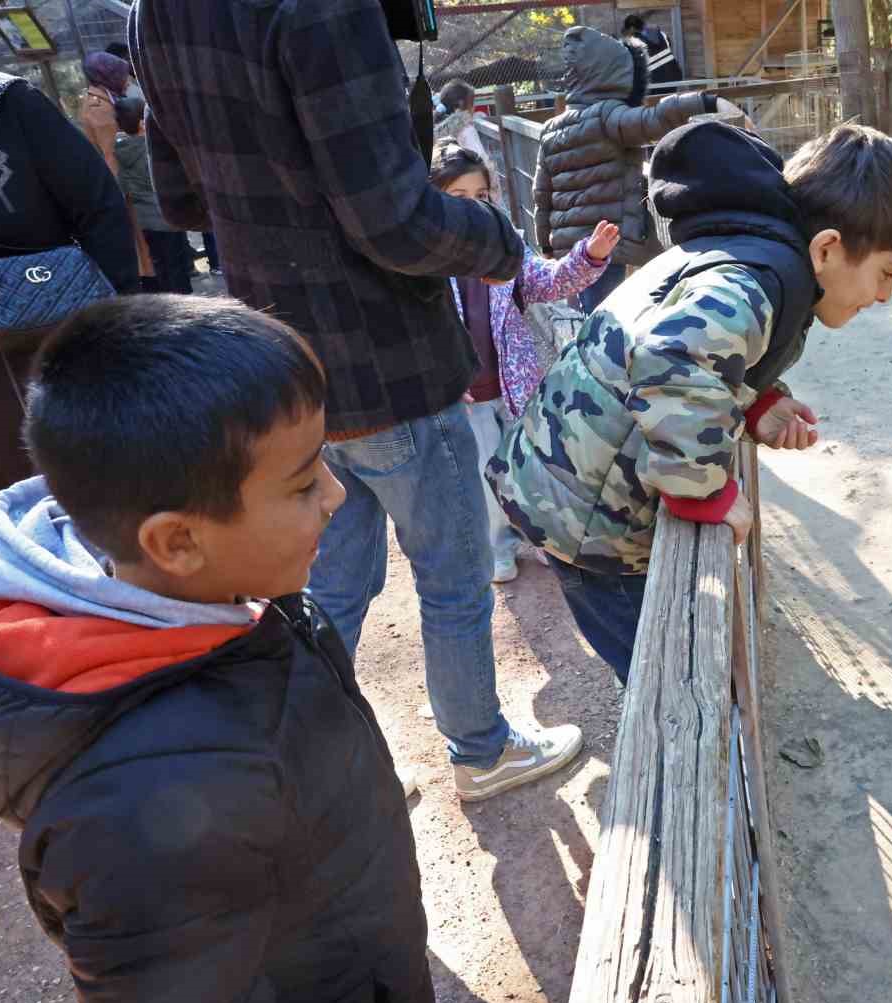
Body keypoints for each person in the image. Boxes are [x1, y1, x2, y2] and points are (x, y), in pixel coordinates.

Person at [0, 295, 436, 1003]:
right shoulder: (139, 812)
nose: (337, 496)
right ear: (176, 541)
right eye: (305, 483)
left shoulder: (223, 588)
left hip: (352, 979)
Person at [132, 0, 580, 802]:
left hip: (284, 373)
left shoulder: (154, 10)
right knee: (451, 577)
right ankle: (481, 751)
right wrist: (496, 243)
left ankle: (334, 764)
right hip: (391, 367)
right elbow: (395, 219)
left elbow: (182, 198)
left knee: (328, 586)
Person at [491, 121, 892, 683]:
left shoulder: (751, 252)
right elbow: (673, 356)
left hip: (572, 485)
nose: (884, 295)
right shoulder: (755, 280)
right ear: (826, 248)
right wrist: (704, 493)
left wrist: (757, 403)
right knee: (668, 680)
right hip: (586, 521)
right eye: (886, 273)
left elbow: (704, 352)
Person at [0, 40, 137, 514]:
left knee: (105, 489)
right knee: (2, 502)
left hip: (55, 343)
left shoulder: (5, 105)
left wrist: (116, 328)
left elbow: (99, 206)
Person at [428, 138, 616, 584]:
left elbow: (546, 282)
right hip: (464, 391)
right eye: (457, 198)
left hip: (516, 385)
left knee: (528, 466)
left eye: (481, 195)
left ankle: (545, 537)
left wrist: (589, 257)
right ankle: (499, 547)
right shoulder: (423, 261)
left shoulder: (503, 244)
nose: (473, 207)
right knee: (485, 473)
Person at [534, 25, 716, 314]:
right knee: (611, 317)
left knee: (587, 314)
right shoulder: (608, 116)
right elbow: (653, 120)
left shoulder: (551, 128)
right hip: (609, 245)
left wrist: (545, 244)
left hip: (569, 250)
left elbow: (542, 196)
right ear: (613, 73)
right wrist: (704, 101)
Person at [78, 50, 153, 286]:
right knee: (139, 242)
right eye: (121, 75)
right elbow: (113, 153)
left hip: (127, 183)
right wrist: (125, 190)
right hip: (124, 186)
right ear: (106, 76)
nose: (127, 79)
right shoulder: (100, 109)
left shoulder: (107, 98)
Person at [114, 97, 193, 294]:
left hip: (145, 220)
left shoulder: (121, 149)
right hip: (165, 216)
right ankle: (184, 303)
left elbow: (123, 185)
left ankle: (169, 302)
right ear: (143, 123)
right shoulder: (149, 148)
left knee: (160, 263)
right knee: (177, 264)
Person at [621, 13, 684, 85]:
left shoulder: (634, 41)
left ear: (632, 28)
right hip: (674, 75)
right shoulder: (661, 33)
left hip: (655, 81)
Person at [433, 79, 483, 156]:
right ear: (461, 103)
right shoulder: (466, 129)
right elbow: (480, 157)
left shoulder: (436, 127)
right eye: (472, 103)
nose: (474, 108)